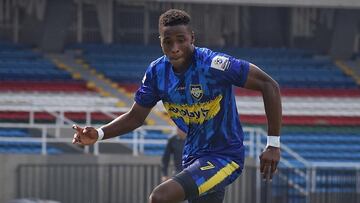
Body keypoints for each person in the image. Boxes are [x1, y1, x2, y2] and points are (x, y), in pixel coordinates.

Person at [72, 9, 282, 203]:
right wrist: (99, 134)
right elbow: (136, 117)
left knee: (160, 197)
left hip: (223, 156)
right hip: (192, 157)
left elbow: (268, 85)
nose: (174, 48)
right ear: (160, 41)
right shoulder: (156, 72)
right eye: (167, 41)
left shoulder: (214, 64)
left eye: (181, 40)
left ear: (192, 37)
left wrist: (273, 144)